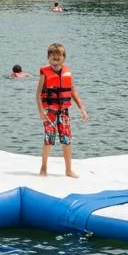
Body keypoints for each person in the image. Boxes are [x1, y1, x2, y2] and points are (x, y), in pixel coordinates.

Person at [37, 42, 88, 178]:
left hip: (64, 112)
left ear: (64, 58)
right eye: (53, 57)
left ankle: (68, 169)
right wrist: (41, 111)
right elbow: (37, 94)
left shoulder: (67, 73)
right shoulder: (45, 74)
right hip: (50, 112)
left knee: (66, 140)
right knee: (49, 139)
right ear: (48, 57)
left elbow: (73, 92)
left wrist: (82, 108)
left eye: (58, 57)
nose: (56, 60)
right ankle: (44, 167)